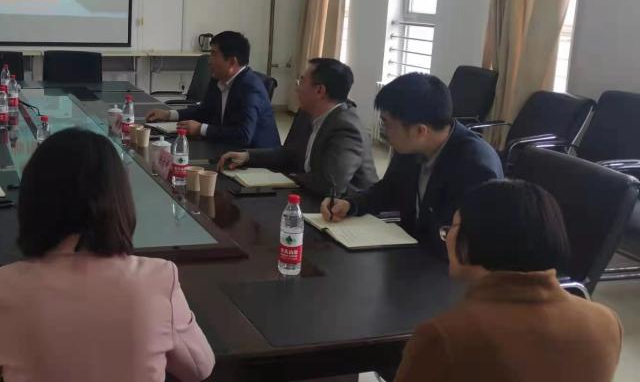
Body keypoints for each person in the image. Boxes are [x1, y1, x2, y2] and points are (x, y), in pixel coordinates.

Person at [0, 128, 215, 382]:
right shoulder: (159, 279)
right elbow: (199, 367)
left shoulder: (0, 287)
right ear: (120, 198)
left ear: (32, 199)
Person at [395, 180, 623, 381]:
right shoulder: (606, 322)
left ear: (473, 238)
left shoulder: (444, 337)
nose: (446, 238)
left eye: (452, 227)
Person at [320, 73, 503, 256]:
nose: (384, 131)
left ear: (420, 131)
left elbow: (464, 246)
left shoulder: (475, 167)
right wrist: (350, 204)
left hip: (443, 265)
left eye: (387, 124)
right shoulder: (411, 146)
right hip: (410, 253)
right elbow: (388, 189)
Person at [219, 58, 377, 196]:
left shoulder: (346, 127)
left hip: (347, 207)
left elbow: (330, 185)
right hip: (310, 193)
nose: (297, 87)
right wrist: (248, 156)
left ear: (320, 90)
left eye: (302, 81)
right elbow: (289, 152)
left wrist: (290, 177)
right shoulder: (307, 113)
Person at [146, 31, 279, 148]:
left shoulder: (250, 88)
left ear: (232, 62)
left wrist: (201, 129)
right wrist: (169, 115)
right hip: (225, 149)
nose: (209, 62)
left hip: (256, 159)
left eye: (214, 55)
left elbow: (243, 135)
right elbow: (204, 111)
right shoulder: (218, 79)